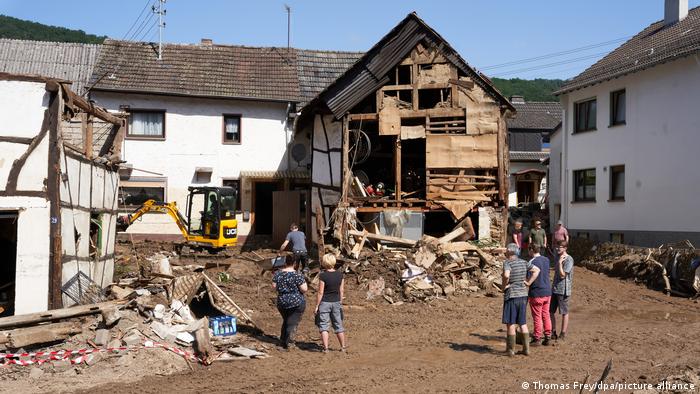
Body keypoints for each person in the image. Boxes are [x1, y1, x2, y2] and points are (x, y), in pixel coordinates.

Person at [502, 243, 540, 356]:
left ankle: (510, 350)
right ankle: (526, 349)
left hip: (512, 295)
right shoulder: (524, 262)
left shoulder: (507, 262)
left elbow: (506, 275)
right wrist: (528, 282)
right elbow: (537, 270)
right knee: (522, 322)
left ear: (509, 252)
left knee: (510, 323)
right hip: (523, 295)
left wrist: (504, 286)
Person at [272, 257, 308, 350]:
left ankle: (282, 341)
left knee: (287, 321)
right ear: (295, 263)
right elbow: (304, 289)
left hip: (282, 301)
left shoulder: (278, 274)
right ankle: (290, 343)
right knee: (292, 322)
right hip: (296, 301)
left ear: (285, 262)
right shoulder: (297, 275)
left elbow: (274, 286)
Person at [314, 254, 347, 353]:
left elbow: (320, 292)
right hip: (336, 302)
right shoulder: (340, 275)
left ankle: (326, 348)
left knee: (324, 326)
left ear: (324, 263)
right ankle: (343, 347)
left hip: (325, 303)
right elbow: (341, 290)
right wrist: (340, 302)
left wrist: (317, 306)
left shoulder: (323, 276)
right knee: (338, 325)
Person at [526, 243, 552, 346]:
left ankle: (537, 338)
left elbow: (529, 277)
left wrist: (527, 283)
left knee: (537, 316)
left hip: (536, 292)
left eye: (529, 250)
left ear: (531, 250)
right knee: (546, 315)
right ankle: (548, 336)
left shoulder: (531, 262)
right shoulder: (546, 260)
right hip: (547, 291)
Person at [550, 240, 574, 341]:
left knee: (564, 312)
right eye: (557, 247)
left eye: (560, 247)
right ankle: (553, 332)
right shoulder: (556, 257)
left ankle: (563, 333)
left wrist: (560, 263)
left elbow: (563, 275)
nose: (557, 248)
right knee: (550, 311)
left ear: (565, 248)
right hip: (555, 289)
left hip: (563, 290)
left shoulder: (569, 260)